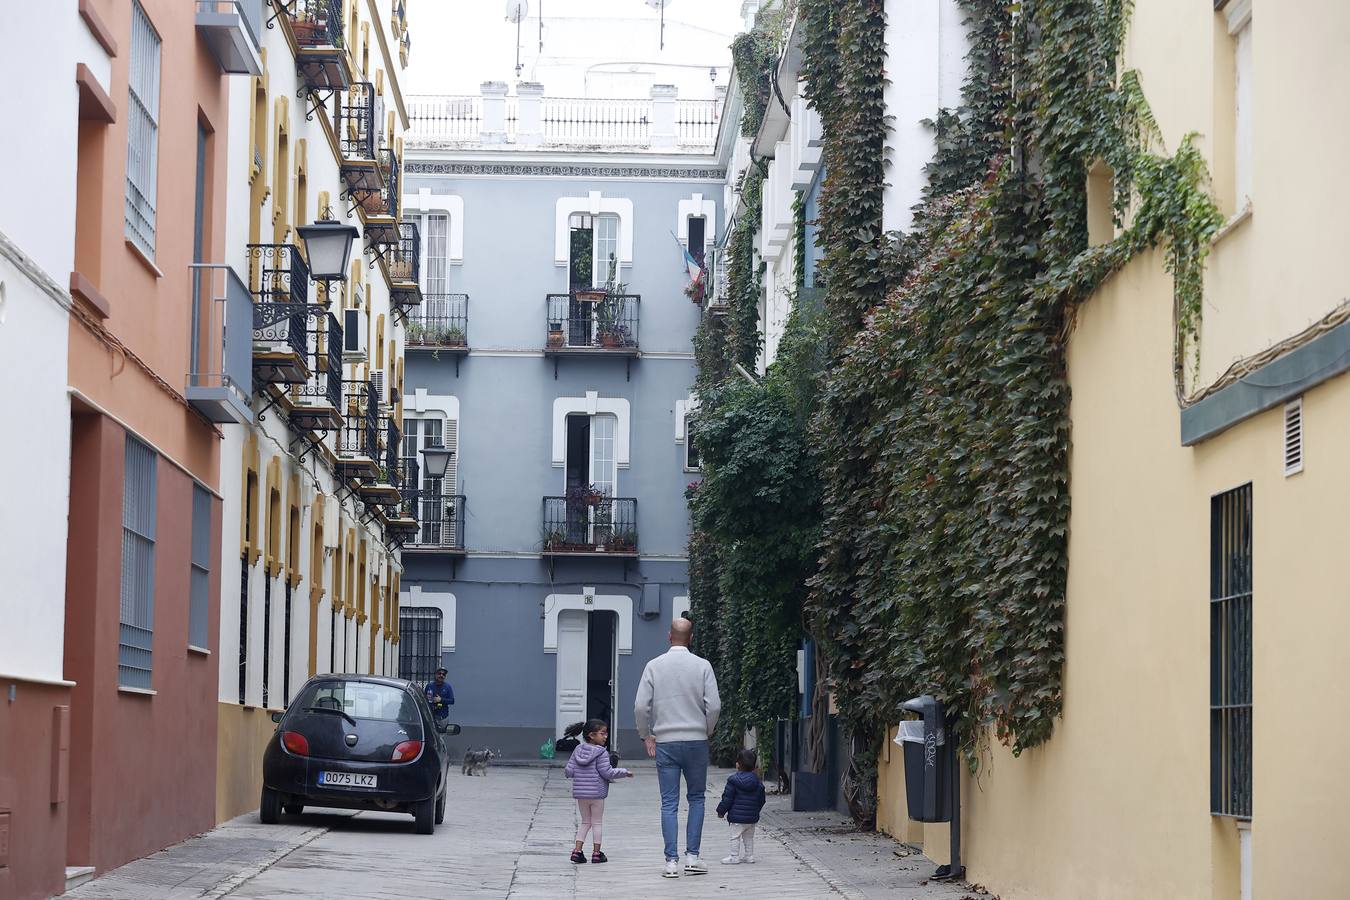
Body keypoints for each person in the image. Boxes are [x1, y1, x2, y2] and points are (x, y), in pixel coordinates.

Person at [634, 618, 721, 878]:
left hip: (666, 742)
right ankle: (692, 857)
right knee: (696, 798)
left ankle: (671, 862)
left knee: (669, 803)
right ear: (691, 638)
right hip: (696, 741)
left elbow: (640, 707)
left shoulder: (654, 666)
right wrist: (706, 730)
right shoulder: (703, 666)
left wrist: (646, 735)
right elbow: (714, 706)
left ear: (669, 636)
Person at [563, 718, 633, 864]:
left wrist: (579, 773)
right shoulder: (601, 753)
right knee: (597, 823)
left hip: (581, 794)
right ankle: (596, 854)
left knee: (585, 822)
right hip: (597, 794)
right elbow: (607, 773)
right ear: (591, 735)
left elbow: (569, 771)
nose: (605, 736)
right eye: (602, 733)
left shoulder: (577, 750)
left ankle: (577, 851)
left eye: (605, 733)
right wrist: (624, 772)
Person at [716, 748, 767, 864]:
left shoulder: (733, 781)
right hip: (751, 817)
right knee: (748, 838)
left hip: (737, 818)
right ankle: (749, 856)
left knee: (735, 837)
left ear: (737, 764)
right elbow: (762, 799)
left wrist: (721, 811)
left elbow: (727, 799)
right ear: (754, 766)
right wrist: (755, 810)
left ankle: (734, 857)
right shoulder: (758, 782)